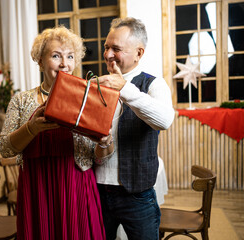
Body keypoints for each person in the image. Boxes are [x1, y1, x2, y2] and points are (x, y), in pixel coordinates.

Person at [0, 26, 112, 240]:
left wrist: (106, 142)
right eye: (55, 56)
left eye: (70, 56)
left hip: (77, 190)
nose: (64, 64)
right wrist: (32, 128)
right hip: (36, 190)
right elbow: (4, 148)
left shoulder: (90, 99)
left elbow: (101, 156)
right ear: (40, 60)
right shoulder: (21, 101)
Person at [94, 17, 175, 240]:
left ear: (139, 53)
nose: (108, 54)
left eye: (116, 49)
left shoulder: (154, 84)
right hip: (96, 191)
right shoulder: (97, 85)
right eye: (106, 47)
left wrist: (125, 90)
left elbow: (164, 120)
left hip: (138, 196)